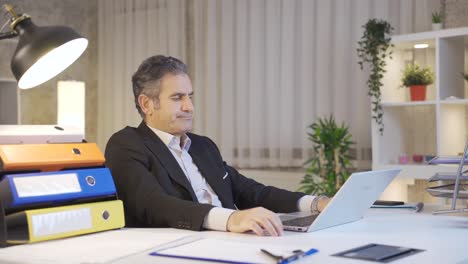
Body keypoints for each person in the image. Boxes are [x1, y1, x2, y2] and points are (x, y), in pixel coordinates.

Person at [105, 55, 330, 236]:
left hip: (232, 241)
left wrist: (316, 204)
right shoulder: (126, 144)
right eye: (177, 98)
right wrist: (231, 218)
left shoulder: (203, 146)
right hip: (184, 248)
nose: (189, 107)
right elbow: (155, 205)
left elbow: (250, 191)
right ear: (146, 104)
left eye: (190, 97)